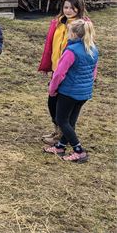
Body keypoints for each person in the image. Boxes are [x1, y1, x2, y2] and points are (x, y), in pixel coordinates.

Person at [43, 19, 98, 163]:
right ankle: (60, 146)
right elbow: (94, 72)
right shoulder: (92, 48)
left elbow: (59, 74)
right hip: (84, 93)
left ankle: (79, 150)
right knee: (71, 121)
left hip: (69, 92)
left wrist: (52, 89)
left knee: (62, 120)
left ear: (73, 34)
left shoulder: (71, 51)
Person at [38, 0, 89, 145]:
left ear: (79, 9)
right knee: (52, 102)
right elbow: (50, 45)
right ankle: (58, 130)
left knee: (60, 105)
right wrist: (48, 65)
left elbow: (87, 48)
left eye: (72, 8)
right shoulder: (58, 23)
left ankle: (62, 135)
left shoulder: (81, 26)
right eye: (66, 7)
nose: (68, 11)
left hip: (69, 72)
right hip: (56, 69)